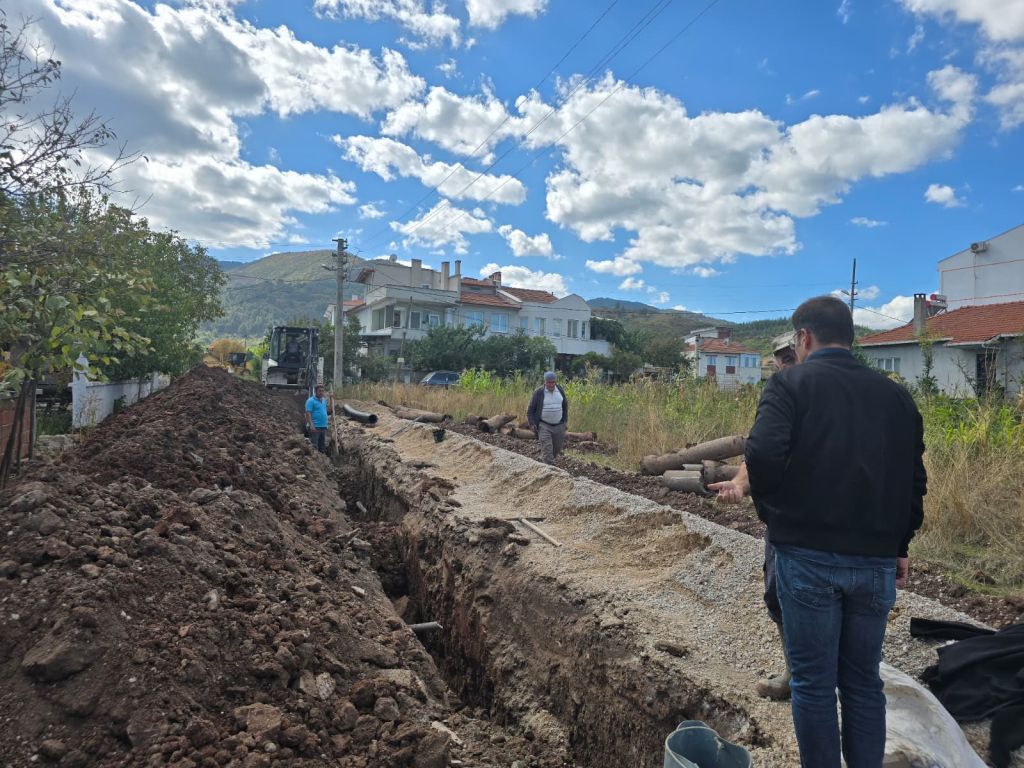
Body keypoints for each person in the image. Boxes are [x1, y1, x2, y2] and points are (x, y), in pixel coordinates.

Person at [745, 296, 926, 768]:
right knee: (863, 682)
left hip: (805, 555)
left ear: (804, 338)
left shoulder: (790, 384)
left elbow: (761, 454)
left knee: (813, 683)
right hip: (875, 561)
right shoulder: (896, 397)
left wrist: (775, 515)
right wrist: (899, 544)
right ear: (851, 337)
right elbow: (913, 480)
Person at [707, 332, 797, 700]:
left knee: (794, 595)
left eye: (793, 355)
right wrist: (740, 485)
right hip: (787, 519)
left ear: (808, 347)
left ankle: (810, 681)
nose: (788, 363)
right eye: (782, 358)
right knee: (778, 596)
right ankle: (796, 672)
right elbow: (758, 452)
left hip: (806, 522)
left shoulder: (806, 393)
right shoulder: (784, 395)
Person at [527, 371, 568, 465]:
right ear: (545, 382)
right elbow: (530, 409)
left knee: (557, 448)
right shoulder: (538, 392)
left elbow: (565, 406)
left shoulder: (560, 390)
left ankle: (544, 461)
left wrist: (565, 421)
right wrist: (532, 423)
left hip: (559, 425)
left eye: (553, 382)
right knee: (547, 447)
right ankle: (549, 467)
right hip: (544, 425)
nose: (551, 384)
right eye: (549, 382)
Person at [305, 383, 329, 453]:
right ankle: (315, 459)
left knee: (322, 445)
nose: (321, 393)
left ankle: (323, 458)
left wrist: (331, 399)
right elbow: (308, 413)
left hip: (323, 426)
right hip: (315, 426)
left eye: (322, 391)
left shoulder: (323, 400)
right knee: (314, 445)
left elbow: (329, 411)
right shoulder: (310, 401)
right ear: (315, 391)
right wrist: (311, 425)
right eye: (319, 391)